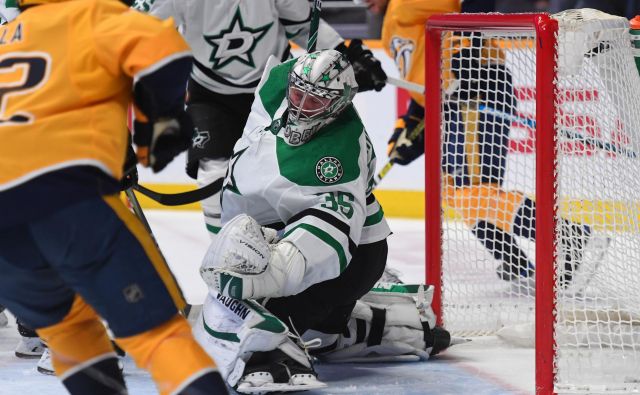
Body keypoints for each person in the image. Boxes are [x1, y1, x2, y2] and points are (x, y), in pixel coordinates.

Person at [192, 49, 453, 394]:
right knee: (301, 320)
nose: (300, 106)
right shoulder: (278, 83)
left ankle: (285, 341)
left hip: (351, 259)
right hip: (287, 232)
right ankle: (342, 328)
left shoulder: (341, 154)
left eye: (315, 101)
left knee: (252, 293)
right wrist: (331, 48)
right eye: (298, 93)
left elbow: (328, 241)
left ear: (337, 105)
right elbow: (291, 42)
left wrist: (261, 277)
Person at [0, 0, 229, 394]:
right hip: (65, 198)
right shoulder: (91, 15)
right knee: (159, 335)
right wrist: (158, 124)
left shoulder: (7, 37)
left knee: (70, 333)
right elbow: (164, 48)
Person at [374, 0, 609, 289]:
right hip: (453, 100)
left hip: (476, 88)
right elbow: (422, 79)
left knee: (470, 192)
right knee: (457, 191)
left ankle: (568, 235)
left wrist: (468, 57)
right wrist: (411, 124)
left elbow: (470, 4)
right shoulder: (389, 28)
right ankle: (517, 263)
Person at [132, 0, 388, 242]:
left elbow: (302, 24)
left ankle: (312, 249)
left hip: (274, 88)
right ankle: (227, 263)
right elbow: (133, 30)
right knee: (213, 175)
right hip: (210, 96)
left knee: (295, 172)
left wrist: (346, 54)